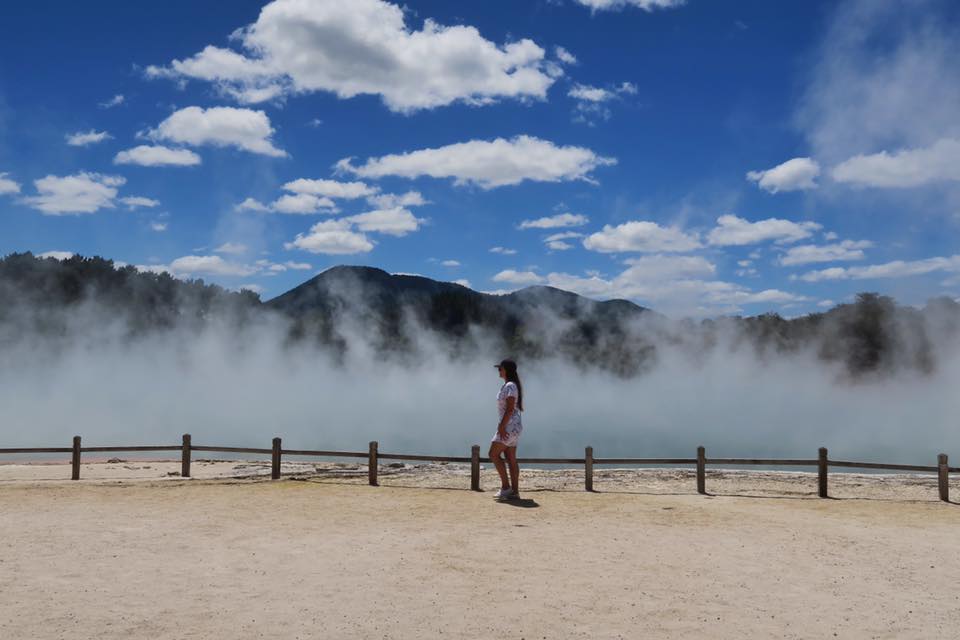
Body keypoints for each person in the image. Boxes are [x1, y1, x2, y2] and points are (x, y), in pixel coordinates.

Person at [489, 358, 523, 500]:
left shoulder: (509, 386)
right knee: (510, 458)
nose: (499, 371)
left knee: (493, 454)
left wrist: (501, 426)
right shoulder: (511, 385)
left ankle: (506, 487)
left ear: (506, 370)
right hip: (514, 426)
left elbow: (509, 409)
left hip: (508, 426)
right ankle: (514, 491)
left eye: (500, 368)